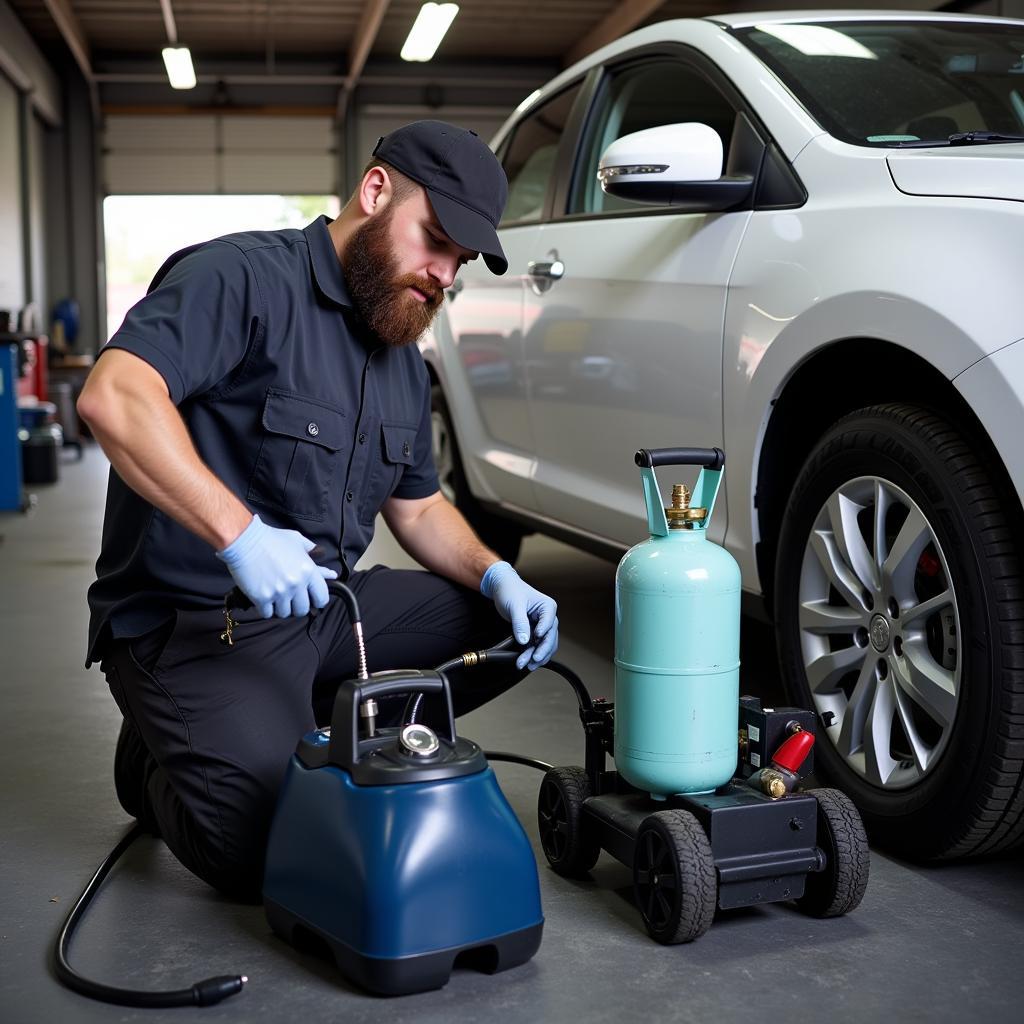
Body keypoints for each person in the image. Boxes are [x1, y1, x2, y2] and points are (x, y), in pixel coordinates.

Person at [77, 120, 558, 901]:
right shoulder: (240, 278)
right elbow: (115, 396)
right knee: (274, 848)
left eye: (459, 261)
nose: (443, 273)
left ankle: (296, 735)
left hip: (324, 612)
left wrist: (499, 573)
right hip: (196, 625)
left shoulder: (402, 356)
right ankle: (154, 763)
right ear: (375, 192)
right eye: (434, 239)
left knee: (504, 629)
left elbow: (421, 508)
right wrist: (240, 537)